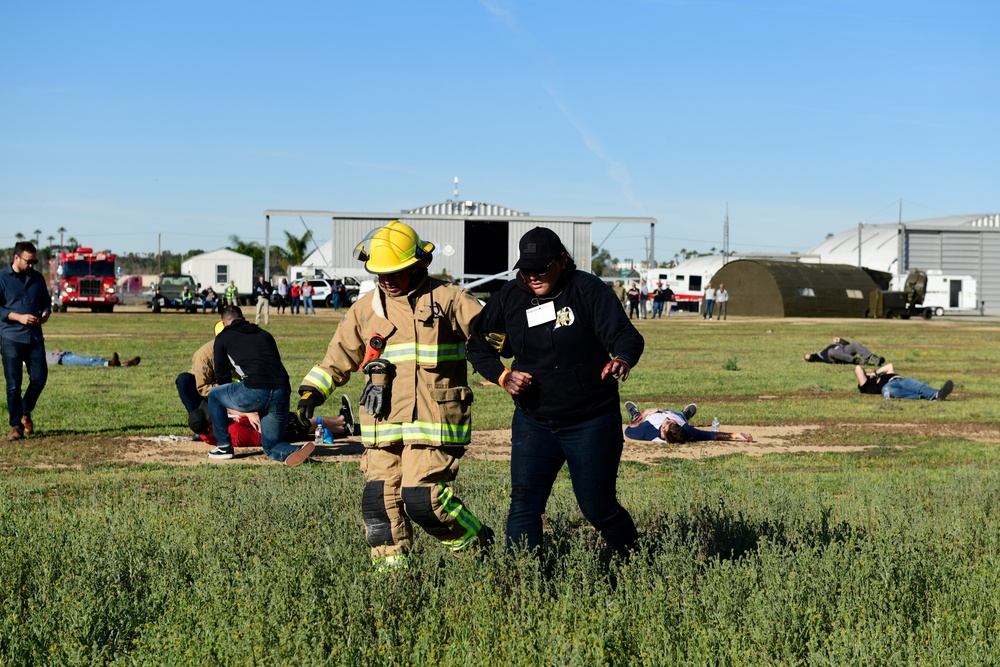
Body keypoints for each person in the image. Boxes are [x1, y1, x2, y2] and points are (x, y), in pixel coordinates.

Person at [295, 220, 493, 570]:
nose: (387, 280)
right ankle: (394, 582)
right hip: (382, 424)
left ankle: (481, 555)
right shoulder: (367, 309)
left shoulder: (447, 298)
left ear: (419, 264)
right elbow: (339, 355)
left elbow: (491, 335)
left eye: (396, 272)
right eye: (380, 273)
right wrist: (313, 390)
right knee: (379, 503)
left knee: (423, 501)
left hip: (435, 422)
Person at [467, 226, 644, 557]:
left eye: (541, 268)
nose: (532, 276)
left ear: (562, 260)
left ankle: (634, 561)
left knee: (598, 508)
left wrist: (622, 357)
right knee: (524, 503)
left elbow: (625, 334)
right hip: (534, 420)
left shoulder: (587, 289)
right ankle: (523, 579)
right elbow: (479, 348)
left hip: (591, 420)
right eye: (526, 269)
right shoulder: (509, 297)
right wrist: (503, 376)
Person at [207, 305, 313, 466]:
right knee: (271, 447)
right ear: (242, 317)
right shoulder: (265, 334)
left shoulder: (222, 337)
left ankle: (223, 447)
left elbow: (222, 375)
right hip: (282, 391)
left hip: (255, 390)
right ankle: (294, 450)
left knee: (215, 396)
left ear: (224, 322)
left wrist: (229, 401)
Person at [1, 242, 52, 440]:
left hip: (35, 336)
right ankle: (16, 427)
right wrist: (18, 317)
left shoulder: (38, 278)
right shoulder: (2, 278)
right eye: (29, 262)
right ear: (16, 258)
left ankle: (24, 411)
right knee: (13, 384)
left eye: (35, 262)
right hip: (11, 337)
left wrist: (46, 312)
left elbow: (45, 302)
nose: (32, 265)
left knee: (39, 379)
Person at [623, 402, 753, 443]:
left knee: (637, 418)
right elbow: (711, 436)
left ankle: (635, 413)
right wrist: (736, 435)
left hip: (650, 416)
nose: (667, 420)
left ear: (663, 429)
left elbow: (629, 429)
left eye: (668, 422)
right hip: (674, 414)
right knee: (678, 415)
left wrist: (645, 413)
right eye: (670, 422)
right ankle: (684, 415)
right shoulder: (687, 431)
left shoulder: (644, 432)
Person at [855, 362, 954, 401]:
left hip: (899, 380)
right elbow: (858, 368)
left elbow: (890, 366)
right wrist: (868, 375)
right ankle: (925, 396)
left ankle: (937, 394)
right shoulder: (865, 385)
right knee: (888, 391)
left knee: (917, 385)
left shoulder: (879, 376)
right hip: (888, 387)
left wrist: (875, 373)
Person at [805, 337, 884, 365]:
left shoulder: (835, 344)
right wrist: (808, 357)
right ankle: (857, 361)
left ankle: (873, 358)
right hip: (833, 356)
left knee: (855, 344)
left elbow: (848, 344)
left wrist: (840, 340)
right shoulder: (820, 354)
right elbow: (812, 357)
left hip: (843, 349)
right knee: (831, 351)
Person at [47, 350, 140, 367]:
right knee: (88, 361)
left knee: (90, 359)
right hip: (61, 359)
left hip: (63, 355)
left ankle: (123, 364)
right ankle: (110, 364)